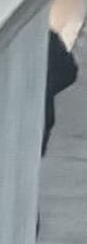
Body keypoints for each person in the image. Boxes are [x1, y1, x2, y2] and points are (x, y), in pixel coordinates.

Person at [48, 28, 79, 157]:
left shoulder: (47, 38)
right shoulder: (47, 37)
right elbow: (69, 71)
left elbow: (69, 71)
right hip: (41, 114)